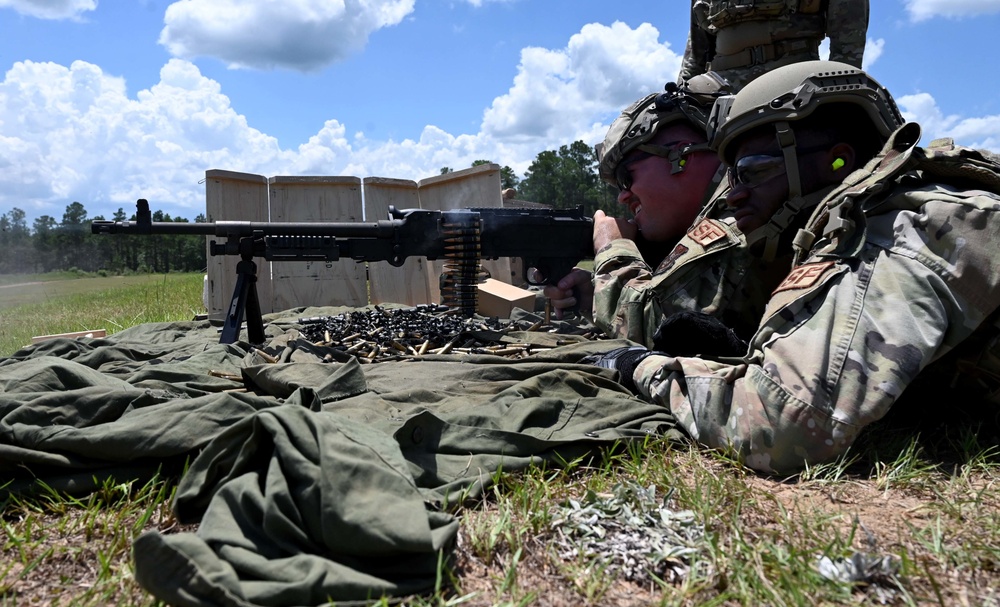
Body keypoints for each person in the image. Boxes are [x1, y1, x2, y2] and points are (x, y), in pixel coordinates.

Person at [588, 60, 1000, 473]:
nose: (732, 197)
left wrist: (635, 364)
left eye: (752, 173)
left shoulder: (903, 225)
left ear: (838, 162)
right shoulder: (865, 223)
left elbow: (782, 424)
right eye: (730, 177)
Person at [543, 73, 730, 322]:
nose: (622, 196)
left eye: (626, 177)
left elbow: (677, 331)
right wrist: (596, 296)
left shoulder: (744, 214)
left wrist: (613, 250)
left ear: (682, 156)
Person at [678, 0, 869, 89]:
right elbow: (696, 55)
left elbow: (847, 47)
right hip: (716, 88)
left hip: (793, 85)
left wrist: (837, 91)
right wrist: (681, 94)